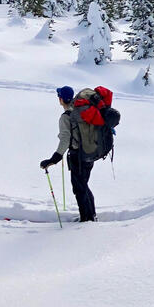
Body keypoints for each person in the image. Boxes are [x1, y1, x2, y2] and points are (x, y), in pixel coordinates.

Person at [40, 86, 97, 222]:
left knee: (79, 188)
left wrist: (54, 159)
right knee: (83, 184)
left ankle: (87, 219)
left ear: (61, 99)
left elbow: (65, 139)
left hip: (78, 156)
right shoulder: (80, 111)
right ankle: (91, 215)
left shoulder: (66, 117)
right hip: (90, 153)